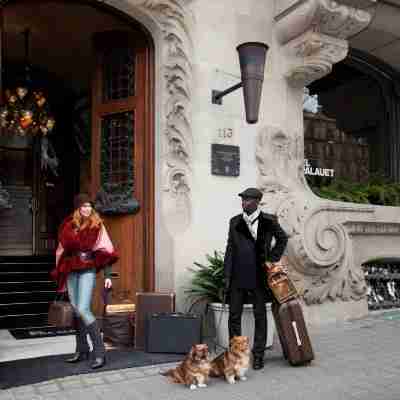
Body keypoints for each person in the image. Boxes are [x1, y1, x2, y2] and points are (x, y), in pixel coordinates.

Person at [51, 193, 118, 369]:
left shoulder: (98, 225)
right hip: (72, 270)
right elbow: (61, 250)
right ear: (78, 208)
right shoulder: (68, 225)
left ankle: (100, 352)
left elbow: (106, 251)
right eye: (84, 206)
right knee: (75, 310)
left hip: (88, 269)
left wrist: (108, 276)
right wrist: (60, 273)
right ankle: (82, 350)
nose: (87, 209)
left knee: (83, 308)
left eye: (89, 206)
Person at [224, 187, 288, 370]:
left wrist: (271, 259)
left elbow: (282, 239)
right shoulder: (235, 221)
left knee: (260, 316)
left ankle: (258, 355)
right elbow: (230, 249)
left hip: (259, 277)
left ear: (257, 202)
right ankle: (236, 355)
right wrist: (226, 275)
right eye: (242, 200)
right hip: (237, 276)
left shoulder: (269, 220)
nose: (243, 203)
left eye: (247, 200)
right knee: (234, 316)